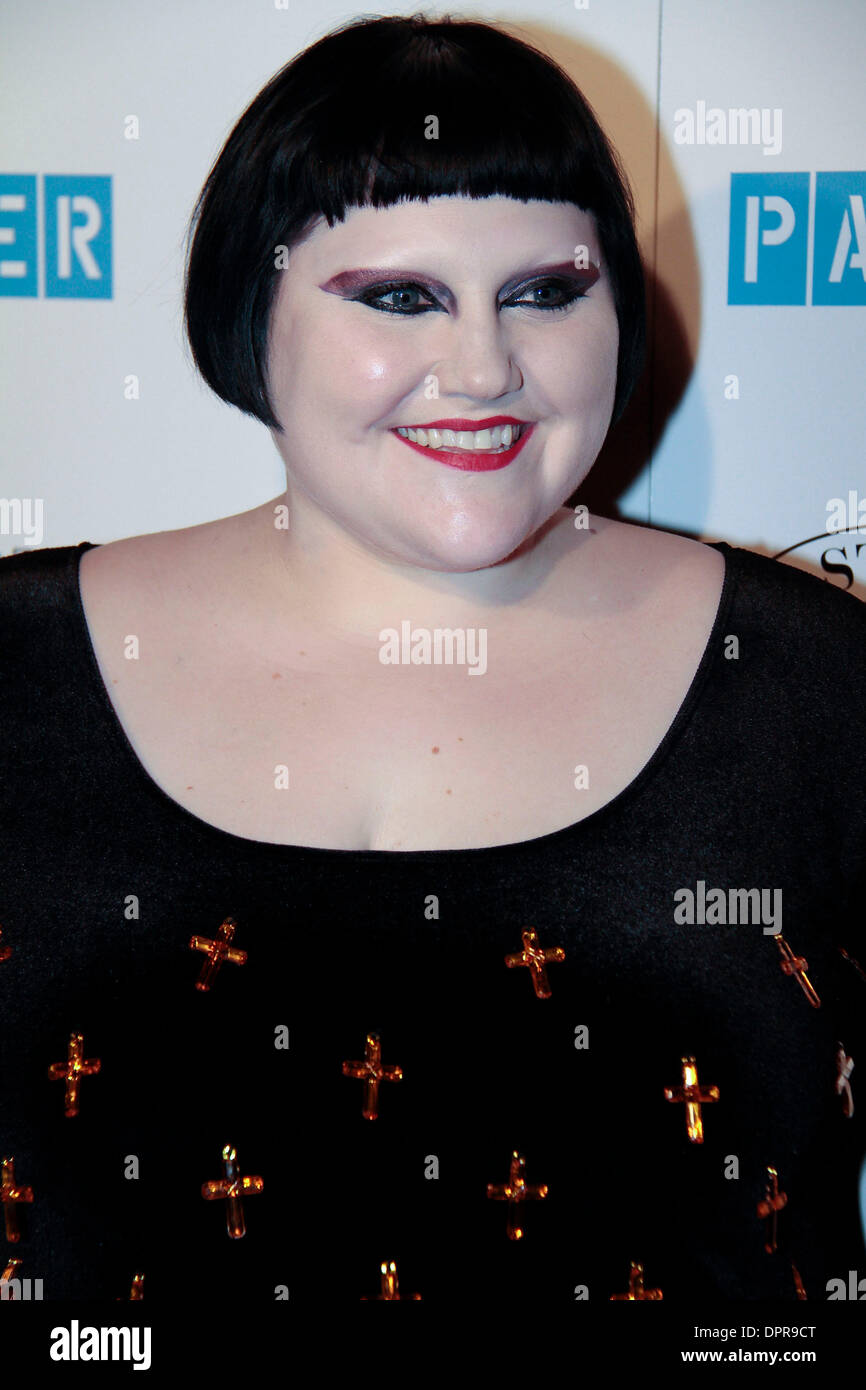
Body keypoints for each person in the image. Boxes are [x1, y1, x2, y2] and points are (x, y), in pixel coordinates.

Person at [1, 14, 864, 1304]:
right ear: (252, 309)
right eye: (401, 297)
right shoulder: (18, 673)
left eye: (545, 292)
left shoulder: (816, 684)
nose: (483, 368)